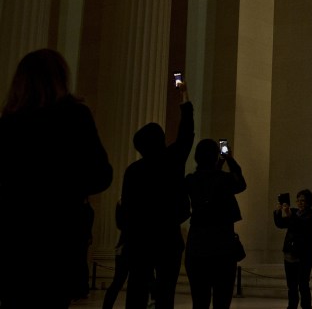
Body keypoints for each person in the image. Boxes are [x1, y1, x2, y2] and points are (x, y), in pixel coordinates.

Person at [0, 49, 112, 309]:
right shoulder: (74, 117)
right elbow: (100, 175)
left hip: (15, 237)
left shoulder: (8, 124)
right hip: (58, 237)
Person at [120, 80, 194, 309]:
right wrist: (184, 99)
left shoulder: (133, 171)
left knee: (137, 290)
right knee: (165, 293)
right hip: (167, 235)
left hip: (140, 238)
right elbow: (186, 133)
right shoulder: (172, 160)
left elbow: (127, 209)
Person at [185, 139, 247, 309]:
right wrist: (229, 159)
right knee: (222, 301)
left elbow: (209, 184)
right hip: (223, 245)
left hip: (197, 244)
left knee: (199, 301)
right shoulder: (225, 180)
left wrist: (217, 164)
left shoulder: (191, 180)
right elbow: (241, 183)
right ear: (215, 156)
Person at [274, 189, 312, 309]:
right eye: (298, 200)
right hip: (289, 254)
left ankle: (306, 307)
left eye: (303, 201)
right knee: (291, 285)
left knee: (303, 285)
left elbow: (303, 226)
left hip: (303, 255)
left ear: (309, 202)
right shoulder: (294, 212)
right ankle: (291, 306)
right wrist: (278, 211)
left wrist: (290, 215)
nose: (300, 203)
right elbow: (280, 224)